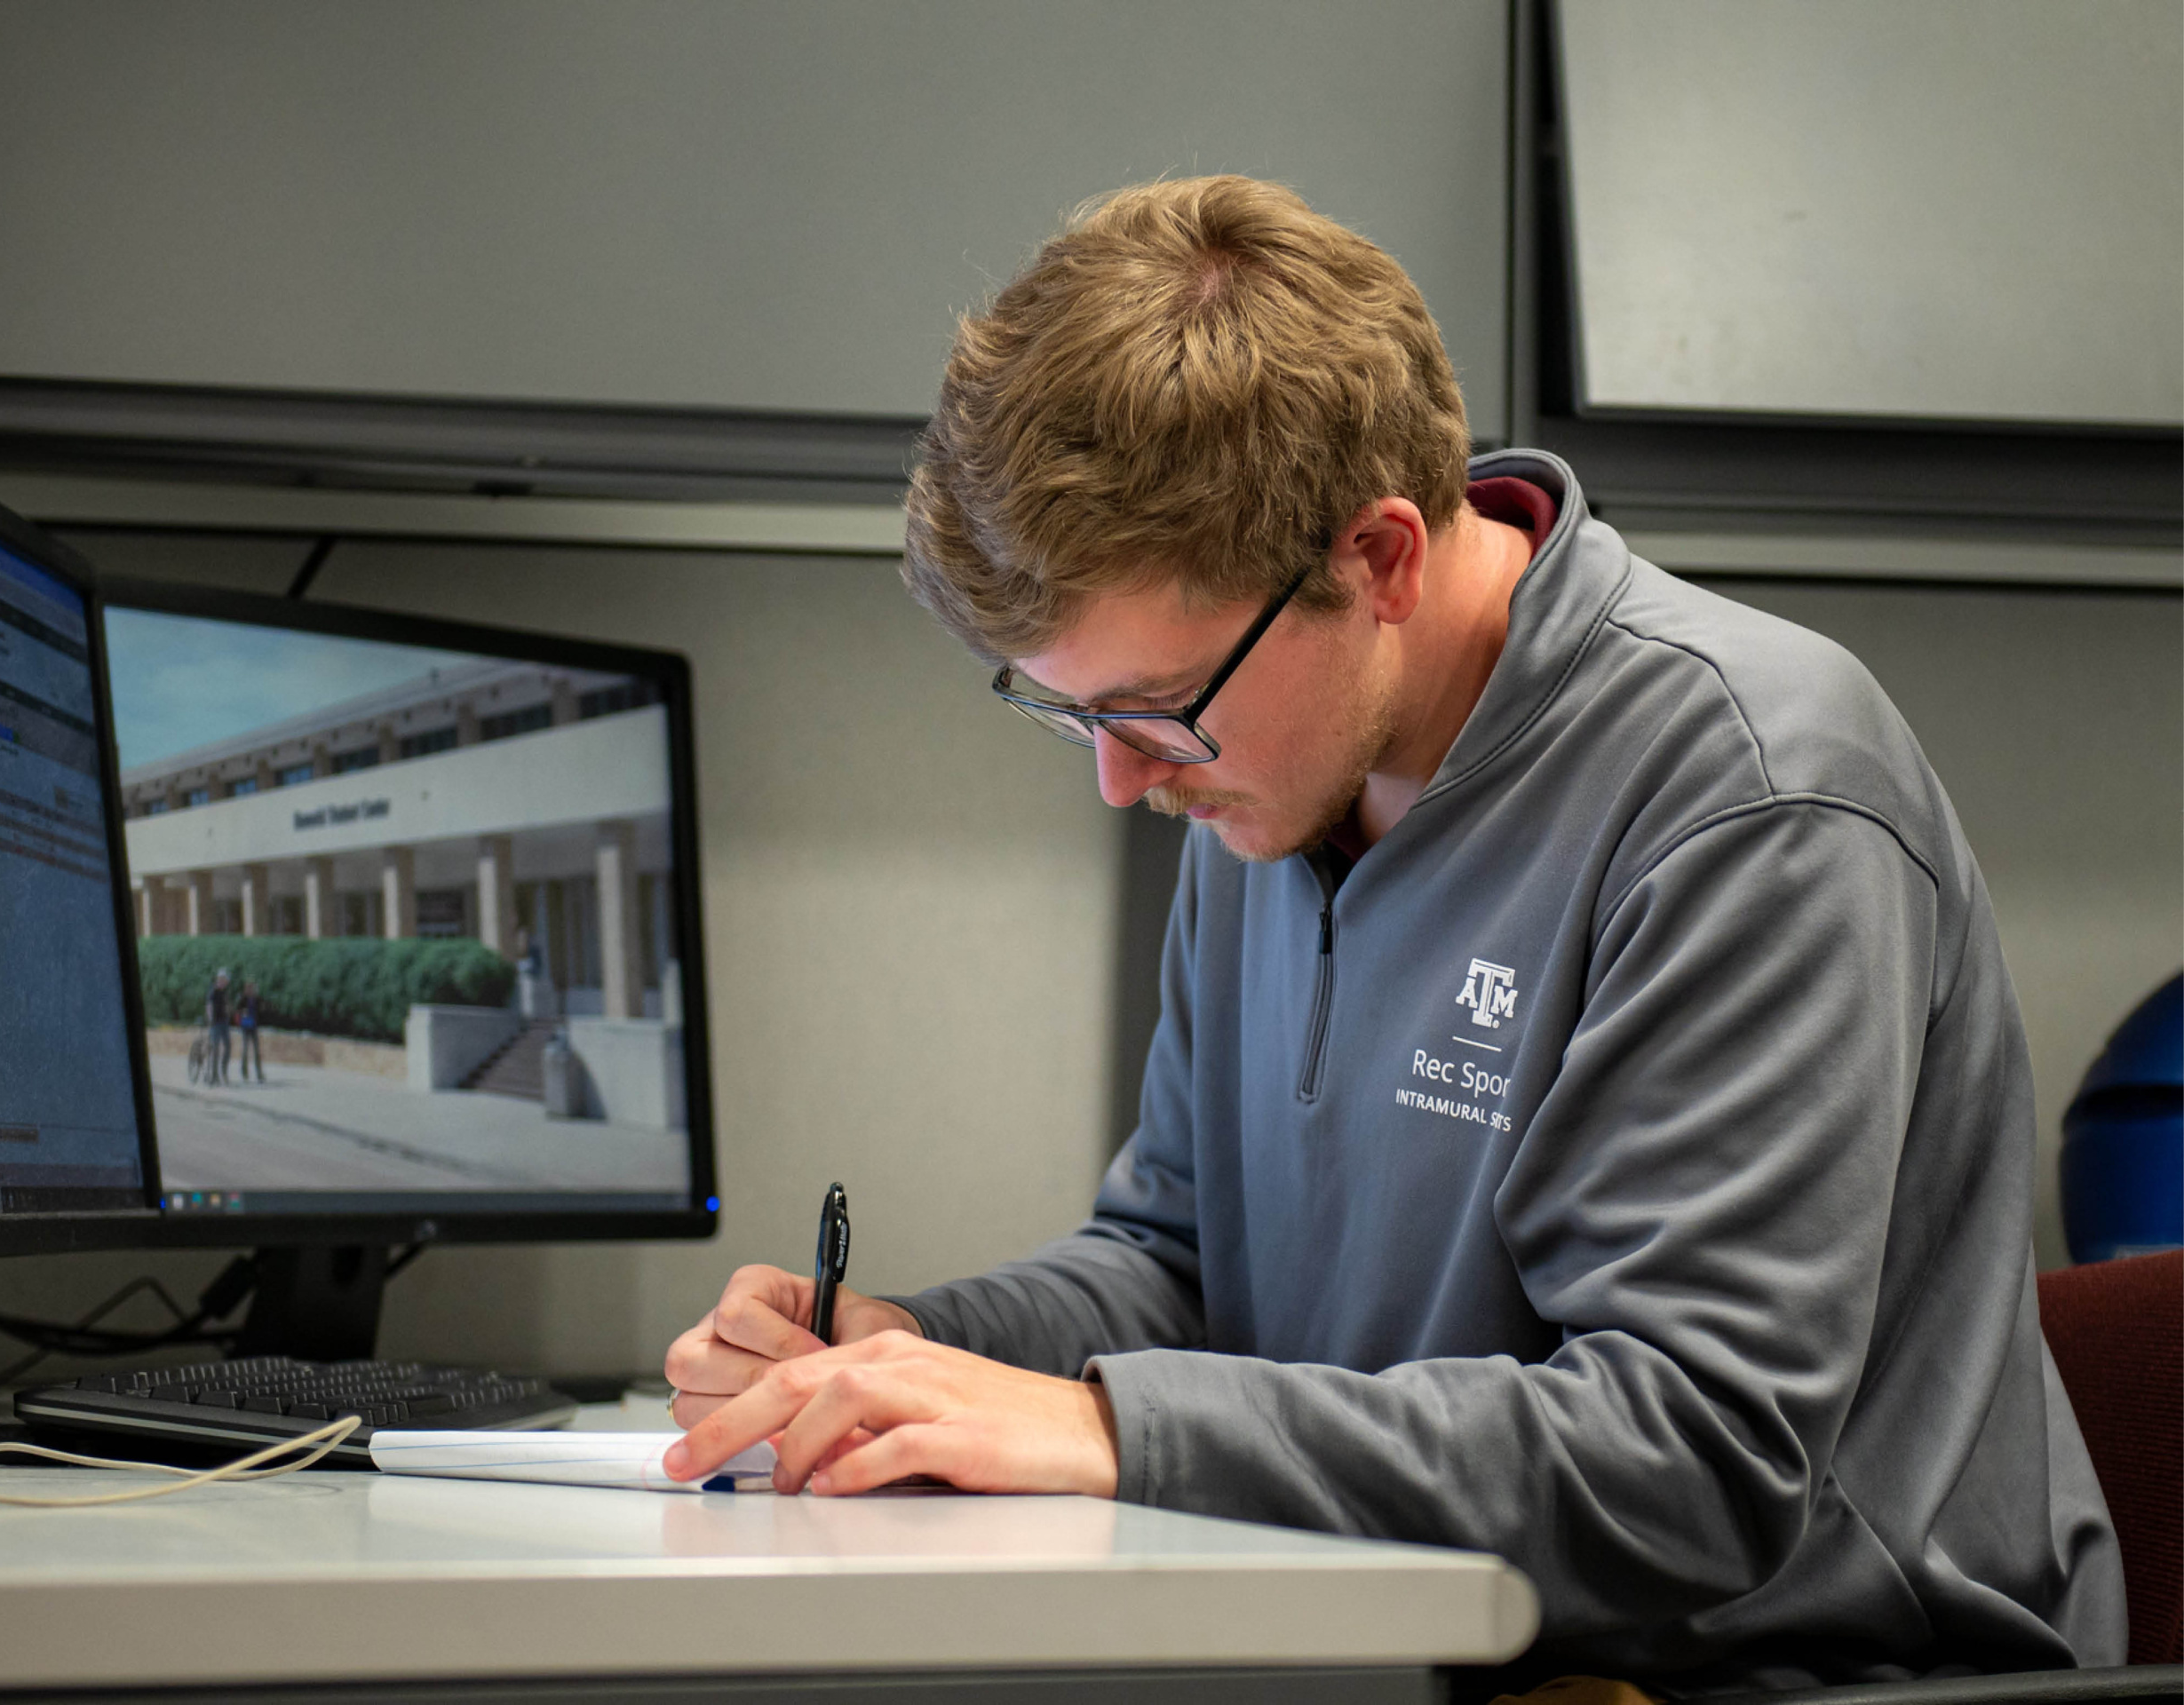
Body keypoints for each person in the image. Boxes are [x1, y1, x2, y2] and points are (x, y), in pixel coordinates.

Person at [663, 178, 2123, 1693]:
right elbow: (1180, 1271)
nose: (1122, 780)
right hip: (1410, 1633)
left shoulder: (1753, 792)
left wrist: (1108, 1428)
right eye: (1075, 715)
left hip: (1778, 1680)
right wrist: (913, 1354)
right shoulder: (1267, 771)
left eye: (1152, 708)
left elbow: (1693, 1460)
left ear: (1381, 560)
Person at [202, 968, 234, 1087]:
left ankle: (223, 1071)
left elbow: (228, 1005)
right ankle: (214, 1075)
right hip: (215, 1023)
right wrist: (210, 1018)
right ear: (219, 979)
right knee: (215, 1049)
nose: (225, 982)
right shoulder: (213, 991)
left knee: (228, 1047)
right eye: (223, 980)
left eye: (226, 981)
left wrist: (230, 1010)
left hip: (224, 1022)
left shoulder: (225, 992)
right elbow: (209, 1005)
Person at [236, 979, 263, 1082]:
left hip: (254, 1026)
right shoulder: (243, 999)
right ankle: (244, 1072)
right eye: (249, 988)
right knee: (245, 1050)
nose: (251, 990)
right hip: (245, 1026)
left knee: (257, 1051)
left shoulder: (257, 999)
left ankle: (259, 1073)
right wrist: (243, 1011)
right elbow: (237, 1010)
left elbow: (261, 1009)